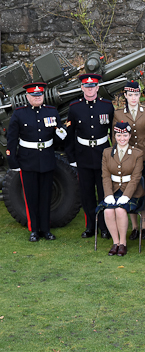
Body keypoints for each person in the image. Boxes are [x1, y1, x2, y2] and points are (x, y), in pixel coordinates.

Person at [6, 82, 67, 242]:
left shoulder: (51, 112)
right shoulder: (19, 114)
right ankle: (34, 230)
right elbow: (11, 140)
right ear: (28, 97)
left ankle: (46, 230)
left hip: (46, 159)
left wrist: (61, 133)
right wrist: (13, 161)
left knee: (46, 196)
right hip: (28, 161)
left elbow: (57, 136)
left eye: (40, 95)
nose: (37, 97)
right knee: (31, 197)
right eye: (34, 95)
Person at [65, 73, 115, 239]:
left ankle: (104, 227)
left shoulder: (107, 106)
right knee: (86, 193)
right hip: (83, 156)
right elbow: (70, 135)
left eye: (93, 86)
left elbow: (113, 133)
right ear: (82, 88)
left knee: (103, 192)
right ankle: (90, 226)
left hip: (102, 154)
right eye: (86, 86)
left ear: (98, 88)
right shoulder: (75, 107)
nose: (90, 89)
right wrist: (71, 157)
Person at [98, 121, 145, 257]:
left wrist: (126, 196)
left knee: (120, 209)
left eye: (125, 135)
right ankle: (115, 242)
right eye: (119, 135)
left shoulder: (137, 153)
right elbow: (105, 176)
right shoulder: (107, 152)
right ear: (114, 136)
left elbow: (136, 177)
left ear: (130, 136)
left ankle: (123, 243)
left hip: (132, 192)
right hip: (113, 191)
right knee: (108, 211)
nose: (122, 139)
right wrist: (108, 195)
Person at [114, 80, 145, 242]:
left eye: (136, 94)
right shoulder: (118, 113)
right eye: (130, 95)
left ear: (139, 95)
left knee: (144, 190)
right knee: (129, 190)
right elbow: (115, 137)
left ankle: (144, 227)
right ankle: (134, 227)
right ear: (126, 96)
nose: (134, 98)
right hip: (128, 158)